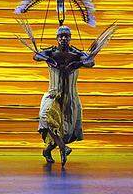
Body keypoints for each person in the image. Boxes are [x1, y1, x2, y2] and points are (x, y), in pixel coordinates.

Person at [34, 25, 94, 166]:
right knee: (45, 116)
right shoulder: (51, 51)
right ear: (57, 38)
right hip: (53, 94)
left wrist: (77, 64)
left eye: (66, 36)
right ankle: (63, 147)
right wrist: (46, 59)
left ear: (70, 38)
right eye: (61, 36)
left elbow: (91, 62)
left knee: (64, 130)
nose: (63, 38)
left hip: (70, 97)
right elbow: (36, 56)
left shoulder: (76, 52)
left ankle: (48, 150)